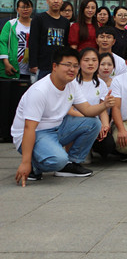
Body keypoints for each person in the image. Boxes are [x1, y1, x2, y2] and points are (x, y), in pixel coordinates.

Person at [13, 47, 114, 185]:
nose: (72, 69)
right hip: (35, 133)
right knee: (58, 160)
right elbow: (29, 128)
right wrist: (25, 162)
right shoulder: (40, 91)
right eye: (67, 65)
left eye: (75, 66)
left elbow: (87, 110)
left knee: (93, 123)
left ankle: (71, 163)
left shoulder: (72, 84)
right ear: (54, 66)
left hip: (57, 128)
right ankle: (33, 165)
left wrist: (105, 105)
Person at [71, 48, 116, 160]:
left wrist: (105, 126)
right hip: (75, 122)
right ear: (79, 63)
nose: (90, 63)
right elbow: (69, 110)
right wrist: (92, 122)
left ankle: (90, 148)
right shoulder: (72, 82)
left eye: (94, 60)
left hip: (95, 124)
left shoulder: (100, 84)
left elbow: (103, 109)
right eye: (86, 60)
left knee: (108, 144)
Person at [0, 0, 33, 143]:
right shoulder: (11, 24)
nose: (25, 9)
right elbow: (2, 42)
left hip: (29, 71)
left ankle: (20, 132)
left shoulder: (35, 24)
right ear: (17, 9)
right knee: (7, 102)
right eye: (22, 7)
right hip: (11, 69)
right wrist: (6, 62)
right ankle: (5, 133)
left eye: (28, 7)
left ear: (32, 9)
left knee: (23, 104)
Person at [29, 0, 70, 81]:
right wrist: (33, 64)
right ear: (47, 1)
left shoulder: (65, 22)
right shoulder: (39, 18)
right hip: (42, 65)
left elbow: (66, 43)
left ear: (62, 2)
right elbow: (33, 41)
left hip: (59, 65)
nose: (56, 1)